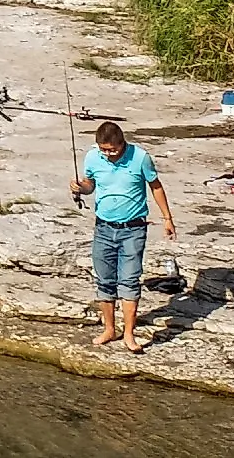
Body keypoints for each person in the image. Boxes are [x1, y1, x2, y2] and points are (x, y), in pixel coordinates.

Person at [74, 120, 174, 354]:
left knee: (129, 281)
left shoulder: (140, 157)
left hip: (134, 229)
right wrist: (80, 187)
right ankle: (109, 329)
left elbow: (156, 186)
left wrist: (167, 218)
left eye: (113, 149)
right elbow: (90, 186)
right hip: (104, 228)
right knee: (105, 280)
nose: (108, 154)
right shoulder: (92, 157)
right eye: (104, 150)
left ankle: (129, 334)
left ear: (123, 143)